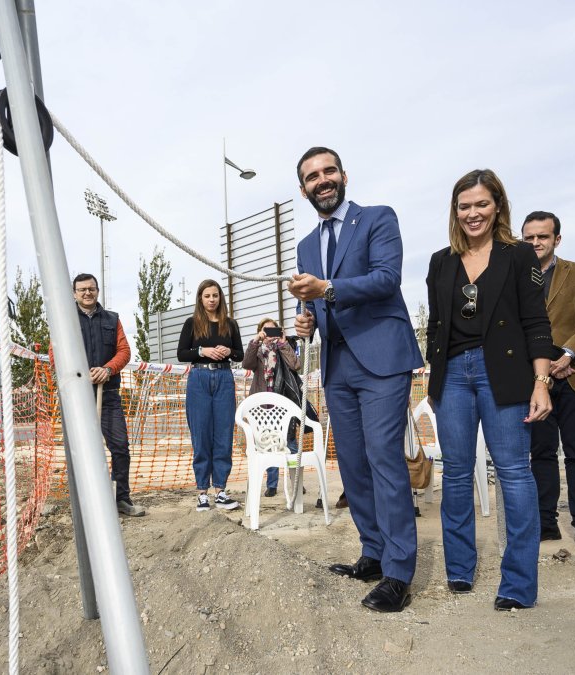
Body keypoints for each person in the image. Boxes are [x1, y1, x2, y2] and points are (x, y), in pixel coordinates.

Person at [289, 146, 422, 613]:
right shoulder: (306, 245)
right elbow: (314, 306)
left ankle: (399, 572)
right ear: (303, 188)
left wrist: (326, 289)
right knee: (351, 461)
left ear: (343, 176)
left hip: (383, 356)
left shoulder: (377, 219)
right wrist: (307, 321)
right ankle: (374, 552)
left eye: (328, 172)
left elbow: (387, 278)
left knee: (383, 456)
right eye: (311, 177)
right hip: (337, 364)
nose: (322, 181)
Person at [424, 169, 552, 611]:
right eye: (464, 206)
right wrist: (432, 376)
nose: (472, 213)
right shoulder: (441, 261)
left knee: (514, 473)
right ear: (454, 211)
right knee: (456, 474)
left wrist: (541, 381)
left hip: (507, 373)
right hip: (452, 375)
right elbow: (436, 324)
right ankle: (460, 569)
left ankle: (517, 583)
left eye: (481, 204)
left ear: (497, 205)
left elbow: (536, 322)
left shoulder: (518, 255)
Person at [521, 211, 575, 555]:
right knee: (541, 454)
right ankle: (546, 521)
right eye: (529, 237)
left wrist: (570, 355)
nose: (535, 243)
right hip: (534, 381)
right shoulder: (514, 277)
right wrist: (540, 367)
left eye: (542, 237)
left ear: (556, 239)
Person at [73, 273, 146, 517]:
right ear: (74, 293)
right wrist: (81, 373)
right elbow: (56, 353)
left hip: (109, 395)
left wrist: (108, 369)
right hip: (78, 397)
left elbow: (124, 351)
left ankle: (121, 499)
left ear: (97, 291)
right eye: (82, 289)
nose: (87, 293)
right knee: (81, 450)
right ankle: (86, 505)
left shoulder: (112, 319)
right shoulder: (66, 319)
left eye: (91, 288)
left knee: (120, 447)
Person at [177, 279, 243, 512]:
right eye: (207, 296)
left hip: (224, 378)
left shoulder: (230, 324)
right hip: (199, 379)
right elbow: (182, 354)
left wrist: (229, 351)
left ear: (220, 298)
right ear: (200, 299)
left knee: (223, 435)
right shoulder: (192, 323)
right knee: (201, 434)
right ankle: (202, 492)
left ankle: (221, 491)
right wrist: (202, 351)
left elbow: (240, 354)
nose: (212, 299)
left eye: (215, 295)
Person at [242, 317, 300, 497]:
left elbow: (296, 365)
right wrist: (256, 341)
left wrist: (283, 343)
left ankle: (297, 481)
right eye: (266, 331)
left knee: (289, 442)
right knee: (267, 443)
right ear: (260, 332)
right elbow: (247, 364)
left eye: (273, 330)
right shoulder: (257, 350)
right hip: (262, 404)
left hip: (283, 402)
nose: (270, 335)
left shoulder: (284, 347)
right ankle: (272, 484)